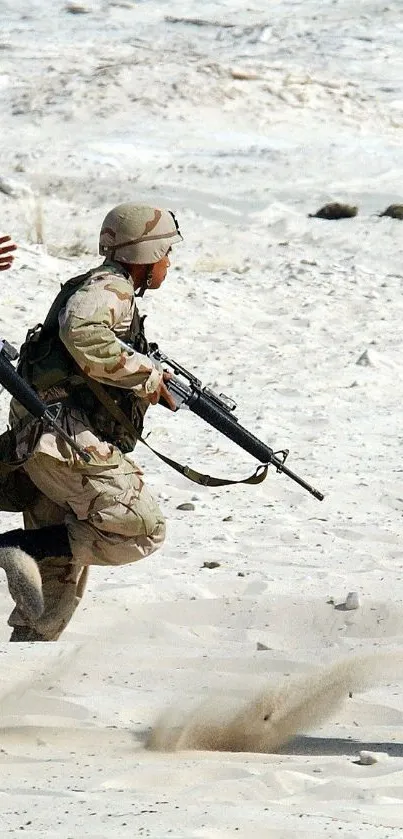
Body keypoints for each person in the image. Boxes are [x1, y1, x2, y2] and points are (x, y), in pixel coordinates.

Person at [0, 205, 182, 641]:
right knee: (141, 527)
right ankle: (11, 547)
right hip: (62, 442)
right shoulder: (110, 288)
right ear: (146, 253)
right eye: (166, 254)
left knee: (54, 578)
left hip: (51, 441)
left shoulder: (102, 288)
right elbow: (81, 330)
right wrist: (147, 375)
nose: (169, 264)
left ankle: (23, 678)